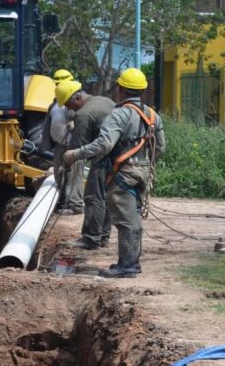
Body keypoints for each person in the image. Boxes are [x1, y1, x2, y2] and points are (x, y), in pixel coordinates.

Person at [63, 68, 165, 278]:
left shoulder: (119, 114)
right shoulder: (153, 115)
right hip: (143, 173)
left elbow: (104, 144)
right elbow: (161, 147)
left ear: (119, 89)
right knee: (132, 216)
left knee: (126, 221)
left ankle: (127, 266)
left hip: (122, 174)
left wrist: (75, 154)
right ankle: (131, 262)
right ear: (143, 90)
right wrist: (143, 163)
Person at [55, 80, 116, 250]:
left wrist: (65, 165)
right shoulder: (105, 101)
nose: (69, 109)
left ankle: (90, 238)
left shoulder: (83, 114)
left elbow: (77, 148)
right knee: (106, 197)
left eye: (68, 105)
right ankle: (103, 236)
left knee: (93, 197)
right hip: (121, 157)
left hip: (103, 158)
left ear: (77, 99)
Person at [50, 69, 84, 215]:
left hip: (73, 145)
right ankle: (62, 201)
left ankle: (75, 205)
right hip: (59, 144)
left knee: (74, 174)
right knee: (59, 173)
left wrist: (73, 123)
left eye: (60, 83)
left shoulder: (75, 100)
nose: (58, 86)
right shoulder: (56, 101)